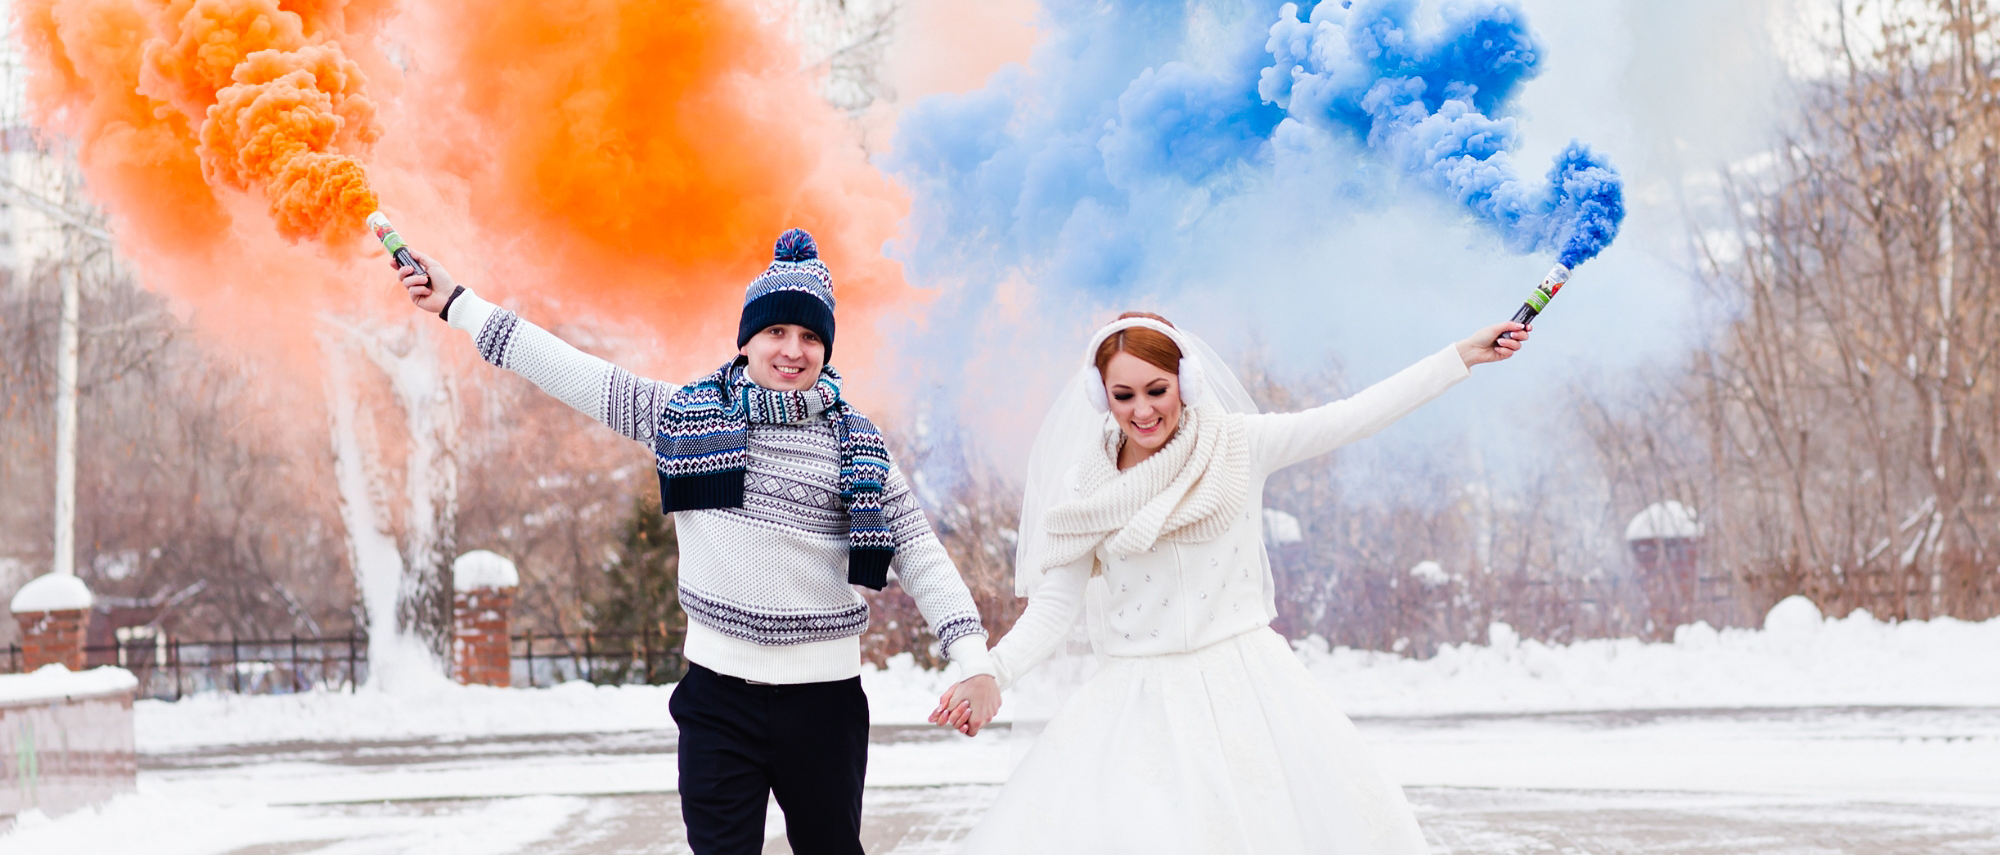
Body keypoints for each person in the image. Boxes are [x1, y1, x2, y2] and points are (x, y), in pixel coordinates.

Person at [393, 229, 996, 855]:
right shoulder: (685, 417)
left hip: (824, 707)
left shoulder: (859, 450)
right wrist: (458, 303)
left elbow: (921, 553)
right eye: (777, 332)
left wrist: (974, 661)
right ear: (748, 339)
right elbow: (575, 372)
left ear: (826, 349)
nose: (793, 350)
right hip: (717, 702)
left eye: (811, 336)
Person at [929, 310, 1528, 854]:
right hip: (1136, 702)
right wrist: (991, 672)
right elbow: (1054, 609)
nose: (1143, 410)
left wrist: (1459, 357)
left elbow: (1352, 418)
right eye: (1124, 395)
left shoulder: (1237, 445)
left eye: (1157, 390)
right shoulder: (1084, 490)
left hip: (1251, 689)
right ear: (1101, 397)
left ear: (1184, 383)